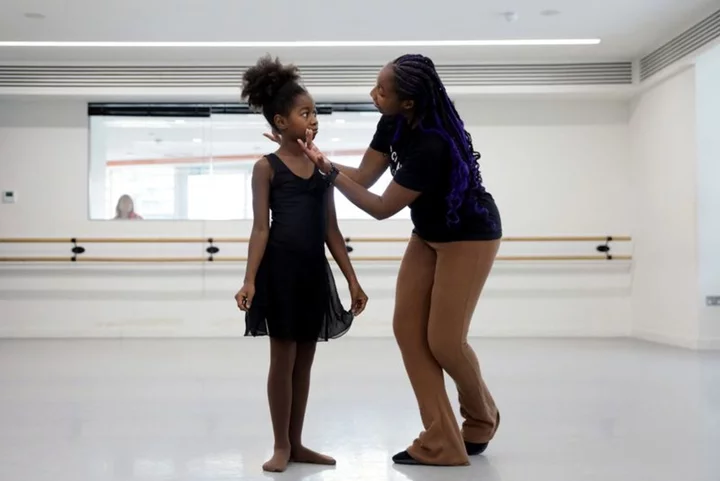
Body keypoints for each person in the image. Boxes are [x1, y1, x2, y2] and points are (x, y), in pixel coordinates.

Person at [295, 54, 502, 467]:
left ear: (408, 101)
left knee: (445, 341)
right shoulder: (392, 121)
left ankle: (480, 418)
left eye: (382, 91)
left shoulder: (431, 144)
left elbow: (380, 206)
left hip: (469, 234)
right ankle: (441, 437)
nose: (374, 94)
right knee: (408, 329)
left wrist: (327, 173)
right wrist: (321, 160)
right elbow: (366, 177)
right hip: (428, 231)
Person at [233, 55, 368, 473]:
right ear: (280, 120)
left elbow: (331, 229)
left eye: (315, 112)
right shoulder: (265, 168)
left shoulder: (320, 167)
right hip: (280, 274)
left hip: (313, 273)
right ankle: (279, 445)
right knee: (283, 359)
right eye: (305, 112)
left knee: (305, 362)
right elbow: (260, 229)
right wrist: (249, 280)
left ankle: (297, 442)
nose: (314, 119)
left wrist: (353, 281)